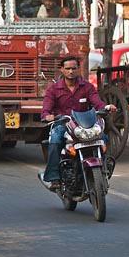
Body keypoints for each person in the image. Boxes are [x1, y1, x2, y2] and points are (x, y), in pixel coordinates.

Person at [38, 56, 118, 190]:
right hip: (63, 124)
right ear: (62, 70)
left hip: (84, 125)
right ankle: (53, 177)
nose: (71, 71)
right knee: (56, 140)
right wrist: (48, 116)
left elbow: (97, 103)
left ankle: (104, 166)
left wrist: (106, 107)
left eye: (73, 68)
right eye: (67, 68)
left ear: (78, 69)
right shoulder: (53, 89)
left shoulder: (87, 87)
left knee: (103, 138)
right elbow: (46, 110)